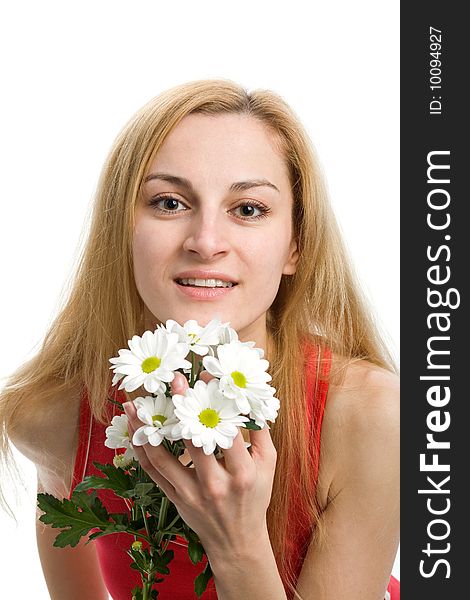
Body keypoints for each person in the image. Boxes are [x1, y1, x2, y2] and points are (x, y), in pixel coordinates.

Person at [0, 79, 400, 599]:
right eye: (168, 203)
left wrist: (238, 546)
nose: (206, 242)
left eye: (249, 209)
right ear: (121, 231)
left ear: (295, 245)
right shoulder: (54, 420)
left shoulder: (372, 417)